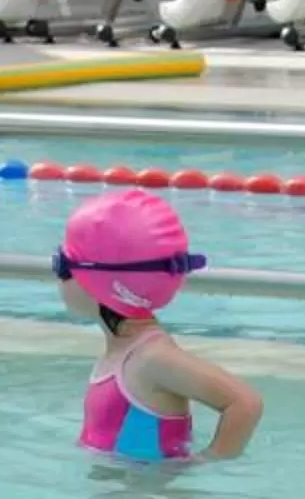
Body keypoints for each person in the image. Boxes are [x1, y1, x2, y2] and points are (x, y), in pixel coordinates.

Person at [59, 191, 263, 464]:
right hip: (121, 486)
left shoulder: (151, 358)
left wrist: (204, 462)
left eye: (63, 266)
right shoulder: (124, 350)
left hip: (147, 490)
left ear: (100, 283)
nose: (57, 278)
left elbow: (244, 403)